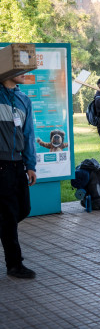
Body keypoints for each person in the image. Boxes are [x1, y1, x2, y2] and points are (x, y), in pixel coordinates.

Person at [0, 74, 37, 278]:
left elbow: (28, 134)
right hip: (1, 164)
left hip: (17, 165)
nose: (25, 72)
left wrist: (30, 165)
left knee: (23, 208)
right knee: (9, 215)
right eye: (19, 69)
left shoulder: (24, 100)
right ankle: (14, 264)